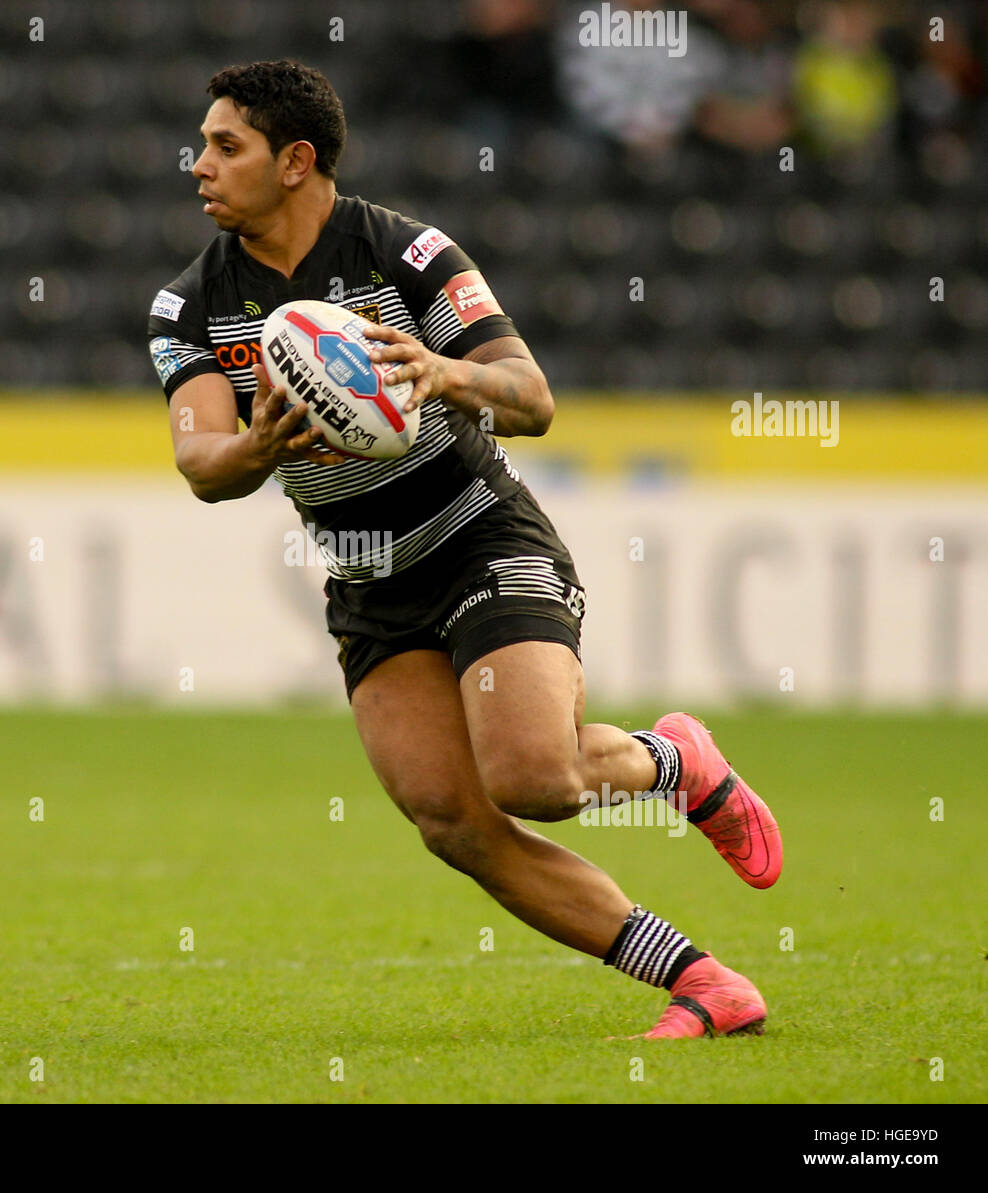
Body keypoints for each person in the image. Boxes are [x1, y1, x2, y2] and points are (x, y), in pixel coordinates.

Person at [146, 59, 782, 1038]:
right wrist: (257, 444)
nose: (200, 164)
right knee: (451, 820)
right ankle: (703, 981)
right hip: (369, 584)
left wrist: (447, 374)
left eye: (225, 145)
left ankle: (672, 764)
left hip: (479, 539)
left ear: (294, 161)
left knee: (533, 778)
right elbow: (200, 460)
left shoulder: (408, 256)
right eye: (202, 145)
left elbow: (532, 397)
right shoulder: (189, 306)